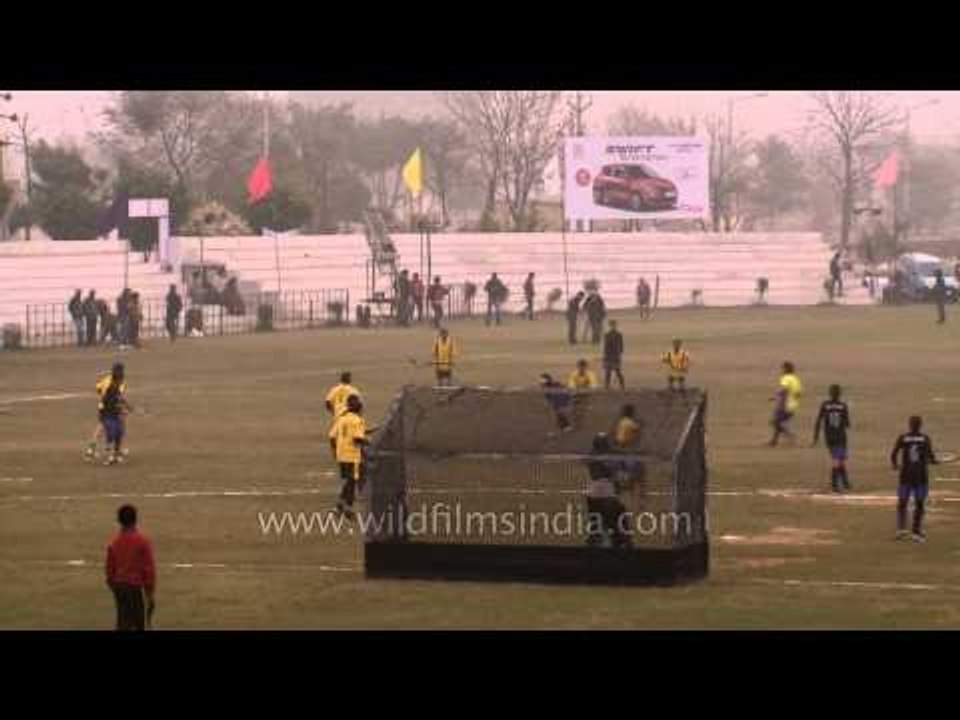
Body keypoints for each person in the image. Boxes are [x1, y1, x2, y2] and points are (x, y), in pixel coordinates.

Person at [105, 504, 156, 631]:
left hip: (119, 587)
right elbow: (148, 569)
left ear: (119, 521)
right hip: (134, 588)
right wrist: (149, 594)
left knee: (123, 622)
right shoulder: (142, 541)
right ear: (135, 520)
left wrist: (114, 586)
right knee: (137, 624)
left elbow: (109, 569)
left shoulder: (114, 542)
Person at [890, 415, 939, 542]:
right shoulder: (925, 438)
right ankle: (916, 532)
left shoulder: (903, 438)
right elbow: (931, 457)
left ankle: (901, 530)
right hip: (920, 477)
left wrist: (895, 465)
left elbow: (893, 454)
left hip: (905, 475)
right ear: (920, 425)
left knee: (902, 502)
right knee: (919, 504)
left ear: (909, 425)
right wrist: (934, 461)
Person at [584, 433, 631, 549]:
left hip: (592, 494)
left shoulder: (592, 456)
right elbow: (609, 474)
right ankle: (621, 540)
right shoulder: (601, 459)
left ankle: (595, 541)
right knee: (617, 517)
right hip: (604, 493)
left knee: (597, 522)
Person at [328, 394, 367, 519]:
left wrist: (335, 451)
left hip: (341, 454)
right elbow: (357, 439)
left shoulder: (342, 418)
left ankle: (341, 508)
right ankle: (345, 508)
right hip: (352, 455)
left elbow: (332, 436)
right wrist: (369, 443)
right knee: (352, 482)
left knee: (349, 481)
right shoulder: (357, 420)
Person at [812, 384, 852, 493]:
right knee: (837, 460)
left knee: (840, 459)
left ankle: (845, 482)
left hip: (829, 436)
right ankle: (834, 484)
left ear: (830, 394)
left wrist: (815, 437)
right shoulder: (843, 406)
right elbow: (847, 424)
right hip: (840, 436)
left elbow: (818, 421)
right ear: (840, 394)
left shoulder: (825, 405)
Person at [100, 363, 132, 465]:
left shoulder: (117, 384)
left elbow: (119, 398)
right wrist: (122, 409)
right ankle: (109, 456)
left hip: (114, 413)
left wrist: (128, 406)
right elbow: (111, 403)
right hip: (107, 414)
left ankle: (116, 454)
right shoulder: (110, 387)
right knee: (111, 433)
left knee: (119, 432)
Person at [769, 361, 802, 447]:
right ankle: (774, 441)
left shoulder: (786, 378)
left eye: (783, 368)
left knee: (774, 422)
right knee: (778, 422)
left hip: (785, 405)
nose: (781, 370)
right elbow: (799, 393)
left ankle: (790, 435)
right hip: (793, 406)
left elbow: (784, 389)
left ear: (786, 369)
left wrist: (774, 397)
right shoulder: (795, 379)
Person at [602, 319, 625, 390]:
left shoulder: (619, 335)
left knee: (618, 371)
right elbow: (605, 346)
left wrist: (619, 354)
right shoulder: (607, 335)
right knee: (608, 372)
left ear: (616, 325)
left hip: (615, 356)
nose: (613, 326)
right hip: (608, 356)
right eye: (612, 325)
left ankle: (622, 384)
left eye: (614, 325)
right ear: (610, 326)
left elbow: (621, 346)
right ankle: (607, 385)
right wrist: (605, 356)